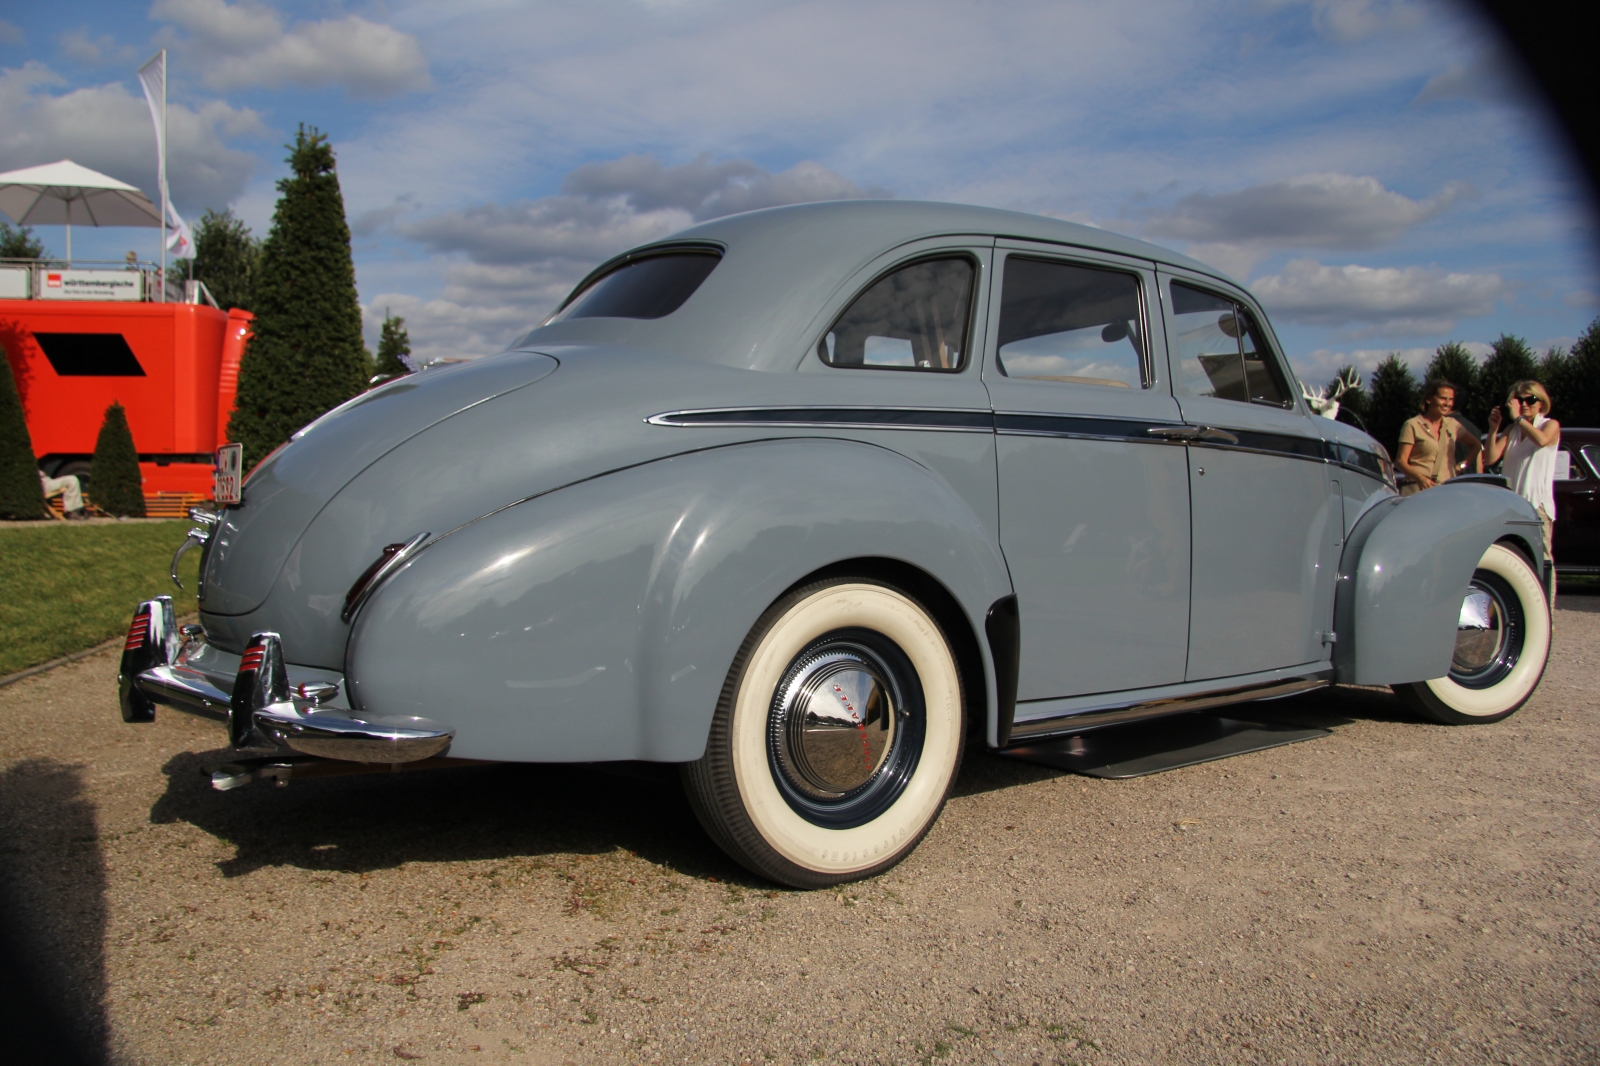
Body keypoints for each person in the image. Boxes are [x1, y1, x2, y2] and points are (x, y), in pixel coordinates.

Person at [1484, 379, 1560, 562]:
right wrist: (1493, 430)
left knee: (1542, 558)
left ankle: (1546, 591)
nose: (1525, 404)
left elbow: (1542, 440)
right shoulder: (1512, 430)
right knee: (1514, 557)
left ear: (1541, 402)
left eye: (1530, 400)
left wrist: (1518, 418)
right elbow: (1490, 458)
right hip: (1513, 502)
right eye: (1520, 400)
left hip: (1537, 503)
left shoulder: (1550, 425)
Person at [1396, 379, 1480, 494]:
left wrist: (1461, 466)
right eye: (1443, 398)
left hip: (1446, 490)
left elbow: (1476, 445)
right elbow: (1400, 461)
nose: (1447, 403)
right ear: (1429, 399)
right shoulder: (1413, 425)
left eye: (1451, 400)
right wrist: (1420, 478)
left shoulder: (1453, 424)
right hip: (1418, 491)